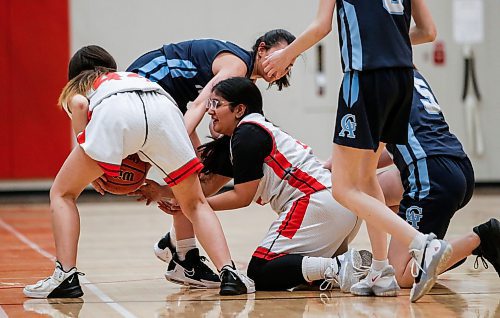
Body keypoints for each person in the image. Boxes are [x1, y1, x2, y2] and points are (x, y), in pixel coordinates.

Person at [68, 29, 297, 289]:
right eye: (283, 55)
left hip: (163, 99)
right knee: (193, 180)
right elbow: (199, 105)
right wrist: (177, 150)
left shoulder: (244, 79)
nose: (286, 65)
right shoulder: (237, 65)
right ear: (262, 49)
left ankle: (178, 246)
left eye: (291, 62)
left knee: (198, 177)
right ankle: (183, 254)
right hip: (148, 90)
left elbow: (207, 123)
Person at [262, 0, 447, 302]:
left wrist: (286, 55)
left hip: (367, 75)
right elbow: (428, 32)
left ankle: (423, 245)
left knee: (343, 188)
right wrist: (392, 42)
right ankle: (380, 270)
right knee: (365, 177)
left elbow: (322, 26)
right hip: (403, 78)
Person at [23, 67, 254, 298]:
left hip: (119, 113)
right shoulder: (130, 78)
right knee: (195, 204)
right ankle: (229, 273)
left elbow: (80, 105)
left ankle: (65, 276)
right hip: (165, 110)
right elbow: (146, 128)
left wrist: (95, 168)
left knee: (63, 193)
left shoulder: (83, 87)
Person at [139, 77, 371, 292]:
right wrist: (161, 192)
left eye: (216, 104)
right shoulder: (246, 134)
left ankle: (338, 267)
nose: (210, 110)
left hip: (316, 202)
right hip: (339, 204)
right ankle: (348, 270)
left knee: (260, 270)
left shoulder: (247, 135)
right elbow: (204, 188)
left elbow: (241, 197)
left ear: (239, 109)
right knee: (288, 274)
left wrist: (193, 206)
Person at [376, 69, 500, 284]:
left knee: (400, 274)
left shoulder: (373, 78)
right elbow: (395, 145)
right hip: (454, 163)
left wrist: (332, 166)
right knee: (374, 198)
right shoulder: (410, 71)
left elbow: (363, 152)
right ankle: (447, 251)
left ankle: (480, 239)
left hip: (431, 175)